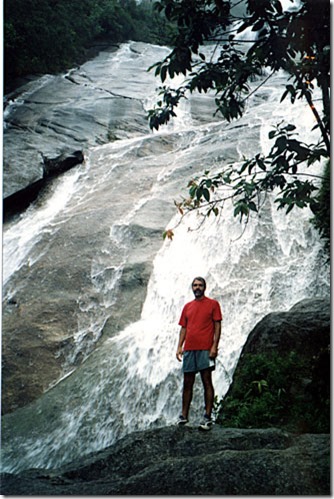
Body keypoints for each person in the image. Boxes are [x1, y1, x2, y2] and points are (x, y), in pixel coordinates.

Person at [176, 276, 222, 431]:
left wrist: (214, 346)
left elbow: (217, 326)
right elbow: (183, 328)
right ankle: (184, 416)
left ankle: (207, 417)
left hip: (205, 348)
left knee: (206, 381)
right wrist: (179, 347)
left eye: (200, 285)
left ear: (205, 287)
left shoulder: (213, 304)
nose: (197, 287)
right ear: (192, 287)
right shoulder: (187, 307)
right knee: (187, 382)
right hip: (189, 349)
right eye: (195, 285)